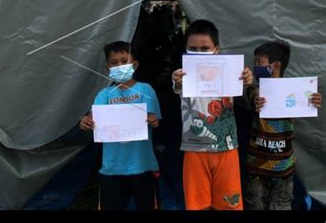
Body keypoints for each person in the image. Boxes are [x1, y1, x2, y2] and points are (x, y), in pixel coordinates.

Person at [171, 19, 253, 210]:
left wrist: (248, 80)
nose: (199, 53)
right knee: (196, 205)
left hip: (227, 148)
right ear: (185, 48)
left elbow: (248, 91)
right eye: (193, 48)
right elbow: (176, 86)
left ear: (216, 49)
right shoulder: (181, 75)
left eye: (204, 48)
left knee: (229, 205)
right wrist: (176, 82)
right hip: (194, 149)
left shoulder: (232, 71)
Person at [79, 41, 162, 210]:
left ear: (135, 64)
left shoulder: (146, 90)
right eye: (114, 62)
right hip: (112, 168)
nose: (120, 65)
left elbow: (156, 121)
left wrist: (153, 120)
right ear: (107, 68)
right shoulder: (104, 95)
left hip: (143, 166)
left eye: (124, 61)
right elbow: (93, 118)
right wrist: (86, 121)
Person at [245, 40, 322, 210]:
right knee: (255, 206)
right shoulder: (254, 91)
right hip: (257, 168)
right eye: (255, 63)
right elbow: (252, 95)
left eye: (260, 63)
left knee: (281, 206)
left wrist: (313, 100)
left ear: (275, 66)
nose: (256, 67)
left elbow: (307, 101)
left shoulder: (296, 91)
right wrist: (257, 98)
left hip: (283, 169)